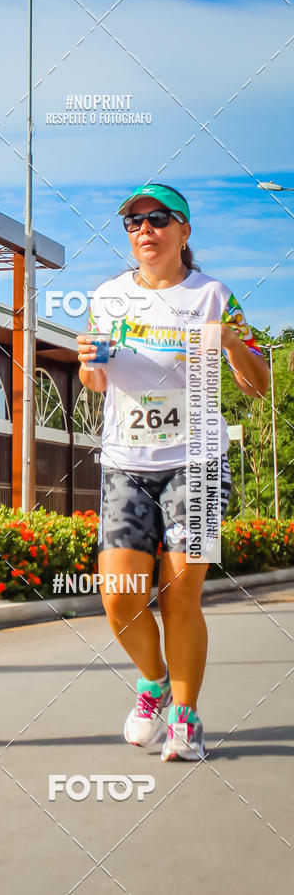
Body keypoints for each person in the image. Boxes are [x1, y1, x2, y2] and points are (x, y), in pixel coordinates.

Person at [76, 183, 268, 761]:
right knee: (120, 598)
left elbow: (259, 386)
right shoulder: (107, 298)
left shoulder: (213, 295)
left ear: (184, 231)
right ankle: (155, 683)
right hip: (126, 464)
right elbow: (95, 382)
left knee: (180, 594)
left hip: (197, 461)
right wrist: (89, 365)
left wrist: (231, 343)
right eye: (134, 222)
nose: (145, 230)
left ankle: (186, 717)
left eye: (159, 219)